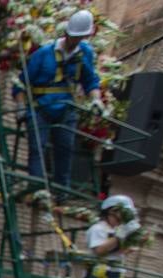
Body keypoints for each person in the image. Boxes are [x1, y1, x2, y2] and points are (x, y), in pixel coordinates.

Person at [12, 9, 103, 191]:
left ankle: (62, 190)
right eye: (73, 36)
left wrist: (95, 100)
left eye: (80, 37)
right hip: (41, 108)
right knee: (38, 147)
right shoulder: (44, 54)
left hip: (66, 109)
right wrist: (21, 106)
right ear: (66, 33)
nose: (75, 41)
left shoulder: (85, 53)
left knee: (65, 149)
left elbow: (90, 81)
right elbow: (21, 83)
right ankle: (37, 188)